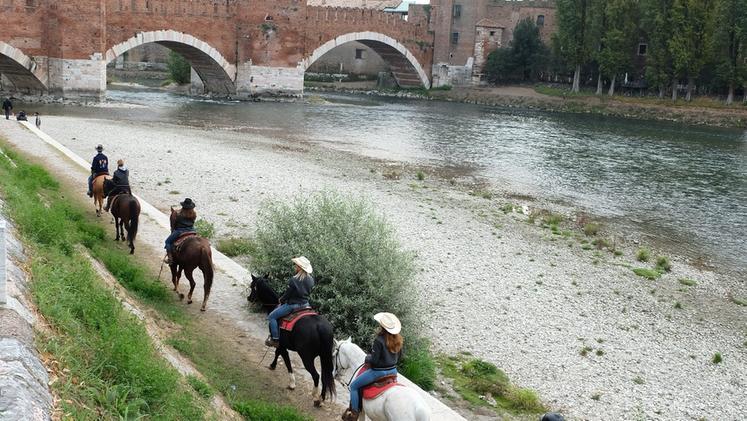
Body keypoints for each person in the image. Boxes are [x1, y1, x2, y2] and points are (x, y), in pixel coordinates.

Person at [342, 312, 403, 421]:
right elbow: (398, 357)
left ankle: (354, 413)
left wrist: (368, 358)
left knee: (354, 386)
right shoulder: (398, 339)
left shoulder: (379, 340)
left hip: (378, 372)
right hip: (393, 371)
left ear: (382, 326)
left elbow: (374, 361)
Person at [265, 256, 315, 348]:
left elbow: (288, 294)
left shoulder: (294, 280)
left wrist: (281, 300)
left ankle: (275, 339)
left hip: (293, 305)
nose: (295, 267)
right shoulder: (311, 280)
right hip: (305, 304)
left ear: (300, 267)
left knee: (272, 316)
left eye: (296, 266)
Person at [164, 198, 197, 264]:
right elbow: (193, 222)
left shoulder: (178, 214)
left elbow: (174, 224)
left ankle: (170, 258)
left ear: (183, 206)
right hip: (192, 230)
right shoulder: (194, 214)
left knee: (167, 241)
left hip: (180, 231)